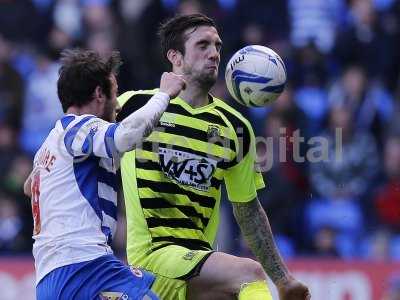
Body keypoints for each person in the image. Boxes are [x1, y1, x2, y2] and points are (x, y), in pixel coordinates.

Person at [116, 14, 310, 300]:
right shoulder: (136, 104)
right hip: (151, 260)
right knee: (250, 275)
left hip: (198, 264)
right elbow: (80, 136)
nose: (214, 54)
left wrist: (283, 278)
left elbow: (249, 211)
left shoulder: (235, 127)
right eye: (203, 45)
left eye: (217, 46)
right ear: (175, 57)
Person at [23, 48, 185, 300]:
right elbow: (125, 136)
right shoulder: (78, 126)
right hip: (84, 268)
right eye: (115, 92)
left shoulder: (48, 147)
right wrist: (164, 95)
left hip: (51, 278)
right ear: (99, 93)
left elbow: (29, 186)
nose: (118, 103)